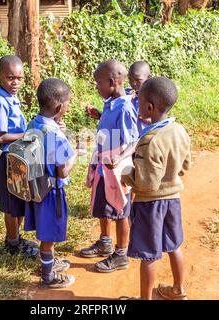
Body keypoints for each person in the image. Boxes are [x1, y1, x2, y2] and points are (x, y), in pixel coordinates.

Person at [122, 77, 191, 300]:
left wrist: (126, 175)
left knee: (149, 255)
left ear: (149, 107)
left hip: (150, 205)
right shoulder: (179, 130)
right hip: (173, 200)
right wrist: (170, 177)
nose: (137, 105)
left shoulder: (150, 140)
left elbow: (147, 184)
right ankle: (178, 290)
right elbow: (185, 165)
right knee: (174, 246)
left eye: (139, 101)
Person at [80, 60, 139, 273]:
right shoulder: (110, 103)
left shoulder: (124, 107)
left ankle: (121, 253)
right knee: (104, 205)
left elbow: (133, 141)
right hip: (103, 165)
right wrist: (99, 115)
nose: (97, 87)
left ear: (112, 82)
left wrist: (119, 157)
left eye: (98, 83)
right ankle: (105, 241)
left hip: (117, 168)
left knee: (120, 209)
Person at [24, 78, 78, 288]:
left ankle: (50, 262)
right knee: (48, 235)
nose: (68, 107)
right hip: (52, 192)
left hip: (36, 186)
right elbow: (63, 168)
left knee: (45, 229)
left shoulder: (34, 123)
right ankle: (48, 276)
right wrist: (75, 153)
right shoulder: (54, 134)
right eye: (68, 103)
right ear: (59, 107)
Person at [0, 55, 38, 258]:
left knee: (18, 200)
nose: (15, 83)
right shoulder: (0, 101)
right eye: (10, 78)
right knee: (10, 204)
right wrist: (26, 134)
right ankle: (12, 244)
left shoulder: (11, 97)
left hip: (16, 157)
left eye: (19, 78)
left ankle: (15, 238)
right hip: (7, 159)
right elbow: (0, 136)